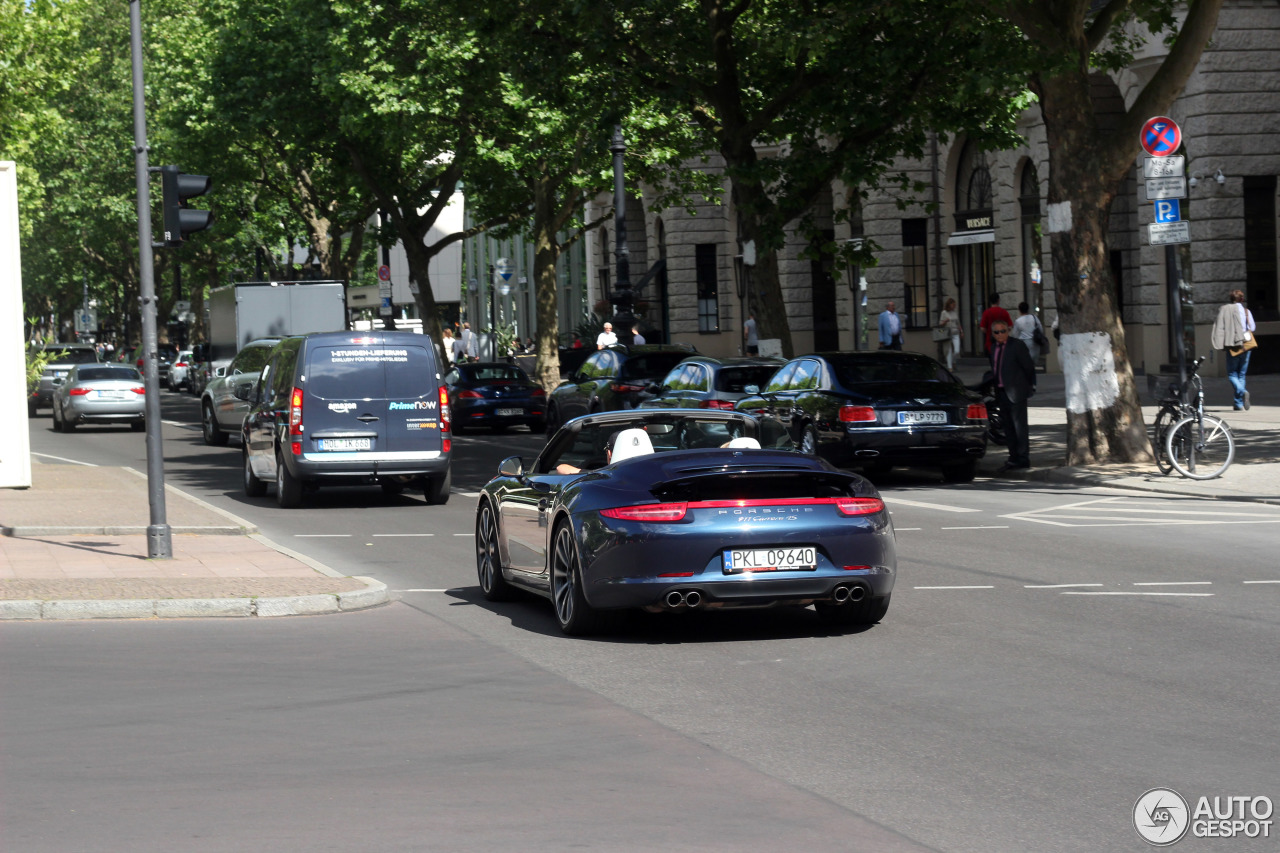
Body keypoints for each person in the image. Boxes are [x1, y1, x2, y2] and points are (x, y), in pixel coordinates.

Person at [988, 320, 1037, 471]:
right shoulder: (993, 348)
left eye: (1003, 331)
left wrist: (1030, 386)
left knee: (1019, 427)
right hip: (1001, 392)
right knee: (1008, 427)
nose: (1000, 334)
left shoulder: (1017, 345)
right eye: (997, 332)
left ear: (1008, 331)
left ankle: (1023, 458)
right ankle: (1013, 457)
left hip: (1016, 392)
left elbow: (1028, 366)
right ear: (993, 334)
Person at [1211, 289, 1257, 410]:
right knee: (1241, 374)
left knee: (1232, 373)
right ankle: (1238, 403)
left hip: (1233, 345)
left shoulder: (1226, 310)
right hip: (1246, 346)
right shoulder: (1246, 311)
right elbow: (1252, 327)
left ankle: (1241, 395)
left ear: (1231, 298)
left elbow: (1221, 326)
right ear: (1241, 299)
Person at [937, 297, 962, 370]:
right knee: (948, 350)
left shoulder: (954, 312)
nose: (954, 306)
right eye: (953, 305)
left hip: (955, 333)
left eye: (955, 305)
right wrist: (945, 321)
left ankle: (953, 361)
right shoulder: (944, 312)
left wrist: (961, 331)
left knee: (957, 350)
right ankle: (949, 366)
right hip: (947, 333)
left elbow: (958, 323)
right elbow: (940, 324)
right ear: (949, 305)